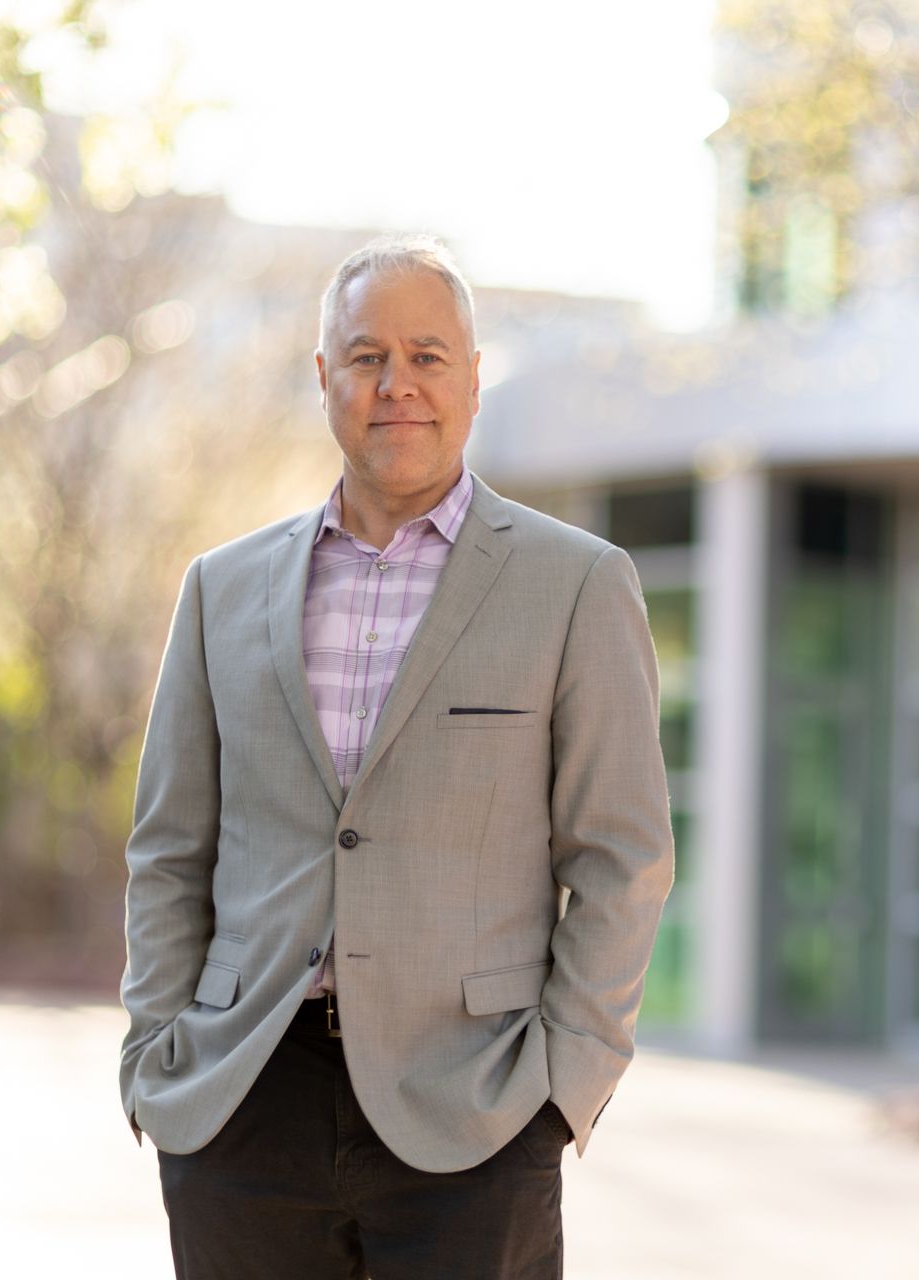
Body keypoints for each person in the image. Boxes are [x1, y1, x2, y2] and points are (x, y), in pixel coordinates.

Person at [117, 233, 674, 1279]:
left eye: (427, 355)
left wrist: (565, 1086)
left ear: (472, 377)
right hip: (242, 1103)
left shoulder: (576, 586)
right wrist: (156, 1054)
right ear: (325, 377)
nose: (397, 383)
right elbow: (168, 848)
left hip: (477, 1112)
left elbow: (621, 856)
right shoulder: (219, 589)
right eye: (367, 355)